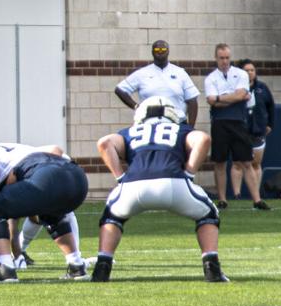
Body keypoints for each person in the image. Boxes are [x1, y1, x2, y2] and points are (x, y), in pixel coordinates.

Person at [93, 97, 228, 282]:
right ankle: (211, 268)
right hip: (173, 183)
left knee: (112, 217)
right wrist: (189, 172)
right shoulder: (181, 129)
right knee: (208, 214)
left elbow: (104, 143)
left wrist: (120, 177)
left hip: (133, 186)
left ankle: (102, 268)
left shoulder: (130, 132)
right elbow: (203, 139)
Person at [0, 135, 89, 281]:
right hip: (78, 177)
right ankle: (76, 266)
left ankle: (6, 269)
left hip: (46, 176)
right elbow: (55, 149)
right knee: (49, 212)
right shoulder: (12, 152)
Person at [204, 43, 254, 209]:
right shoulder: (211, 78)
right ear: (216, 58)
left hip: (238, 121)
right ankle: (223, 199)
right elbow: (212, 101)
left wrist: (220, 98)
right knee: (220, 162)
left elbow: (241, 94)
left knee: (246, 161)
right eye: (221, 58)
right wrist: (234, 97)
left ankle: (257, 199)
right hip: (219, 123)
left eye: (227, 58)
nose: (225, 61)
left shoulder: (240, 74)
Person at [114, 39, 200, 126]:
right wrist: (136, 106)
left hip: (177, 123)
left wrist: (190, 128)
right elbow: (120, 89)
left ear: (168, 51)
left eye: (163, 50)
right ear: (152, 52)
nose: (160, 52)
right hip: (149, 124)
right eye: (157, 50)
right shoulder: (142, 73)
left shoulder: (180, 73)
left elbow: (192, 100)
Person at [240, 60, 274, 211]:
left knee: (256, 164)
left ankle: (256, 194)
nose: (249, 73)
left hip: (258, 130)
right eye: (246, 70)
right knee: (242, 163)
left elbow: (270, 106)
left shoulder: (262, 88)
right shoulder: (238, 88)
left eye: (252, 70)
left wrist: (269, 124)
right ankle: (238, 194)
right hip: (242, 130)